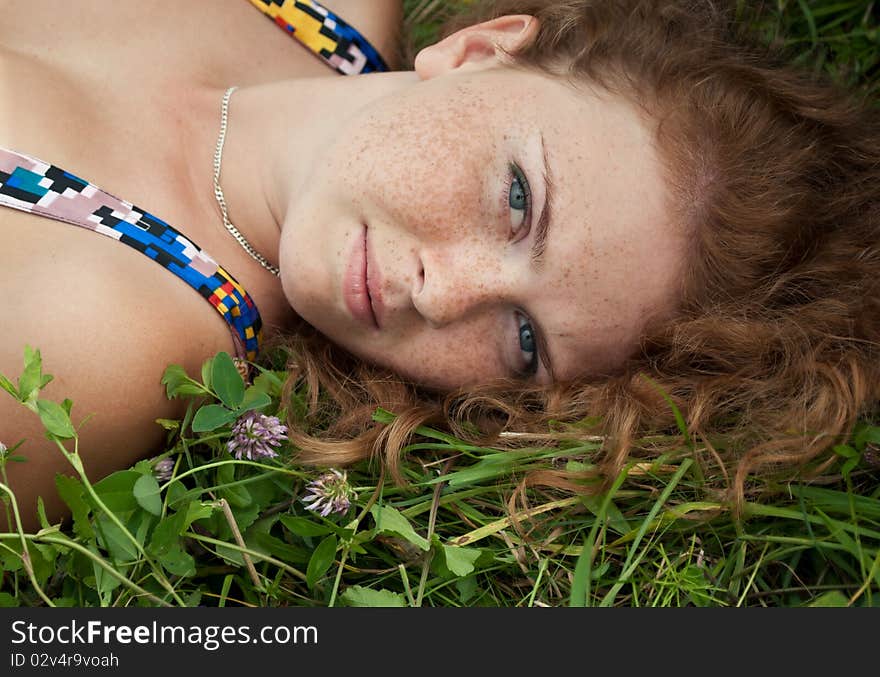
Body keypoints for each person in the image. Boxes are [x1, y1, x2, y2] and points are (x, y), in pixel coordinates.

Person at [2, 0, 878, 532]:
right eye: (518, 199)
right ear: (479, 48)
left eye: (526, 342)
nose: (446, 292)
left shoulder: (105, 346)